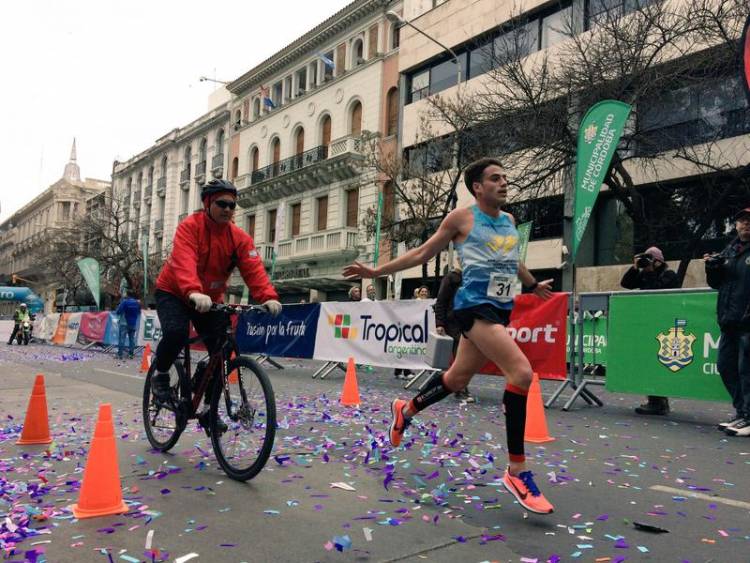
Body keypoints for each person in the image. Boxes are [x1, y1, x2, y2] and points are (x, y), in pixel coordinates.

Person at [344, 157, 555, 514]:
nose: (504, 183)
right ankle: (517, 470)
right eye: (495, 179)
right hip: (473, 310)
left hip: (500, 309)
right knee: (521, 373)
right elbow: (423, 252)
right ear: (478, 187)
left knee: (456, 378)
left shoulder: (508, 221)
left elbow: (511, 258)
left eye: (505, 178)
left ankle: (405, 409)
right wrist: (376, 270)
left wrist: (532, 285)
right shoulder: (461, 219)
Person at [151, 179, 282, 434]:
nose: (228, 209)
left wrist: (267, 296)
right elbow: (184, 261)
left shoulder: (238, 238)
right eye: (222, 204)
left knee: (223, 354)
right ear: (208, 203)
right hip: (175, 291)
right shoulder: (190, 228)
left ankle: (208, 410)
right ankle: (161, 374)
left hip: (209, 299)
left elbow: (253, 268)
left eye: (232, 205)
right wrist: (192, 291)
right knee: (177, 333)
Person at [705, 207, 750, 437]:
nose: (746, 224)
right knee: (725, 366)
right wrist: (711, 267)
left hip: (747, 322)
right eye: (742, 220)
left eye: (749, 221)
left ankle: (748, 415)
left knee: (746, 370)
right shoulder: (730, 250)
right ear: (735, 225)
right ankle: (742, 411)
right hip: (729, 320)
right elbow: (716, 283)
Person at [620, 246, 680, 415]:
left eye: (649, 258)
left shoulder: (669, 275)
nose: (647, 262)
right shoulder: (645, 273)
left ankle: (660, 401)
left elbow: (655, 291)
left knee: (658, 362)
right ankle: (654, 399)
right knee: (648, 361)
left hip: (663, 323)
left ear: (658, 260)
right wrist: (634, 267)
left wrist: (649, 271)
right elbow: (626, 284)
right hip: (647, 322)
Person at [434, 266, 474, 403]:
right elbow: (441, 301)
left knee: (466, 357)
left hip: (470, 321)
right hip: (454, 322)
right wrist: (439, 323)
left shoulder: (474, 276)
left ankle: (455, 385)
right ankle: (460, 389)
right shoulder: (451, 277)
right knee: (460, 356)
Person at [115, 291, 141, 360]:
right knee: (132, 339)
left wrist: (118, 308)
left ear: (128, 295)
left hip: (124, 322)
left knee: (122, 339)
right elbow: (139, 312)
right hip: (133, 323)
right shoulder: (137, 303)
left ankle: (120, 355)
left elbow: (118, 312)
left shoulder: (125, 302)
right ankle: (131, 354)